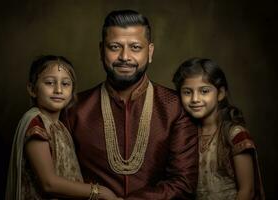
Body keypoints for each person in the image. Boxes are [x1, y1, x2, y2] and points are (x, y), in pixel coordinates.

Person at [66, 10, 198, 199]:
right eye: (114, 47)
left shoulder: (175, 107)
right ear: (101, 50)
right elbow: (60, 178)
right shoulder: (74, 109)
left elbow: (184, 183)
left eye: (135, 47)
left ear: (150, 51)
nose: (124, 56)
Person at [5, 55, 122, 200]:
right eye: (49, 83)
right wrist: (99, 192)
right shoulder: (36, 124)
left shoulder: (61, 126)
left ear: (72, 91)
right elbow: (49, 184)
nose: (58, 90)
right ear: (32, 89)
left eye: (65, 84)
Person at [172, 57, 265, 200]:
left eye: (204, 91)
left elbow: (247, 190)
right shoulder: (184, 134)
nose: (195, 99)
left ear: (220, 93)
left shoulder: (234, 134)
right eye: (187, 92)